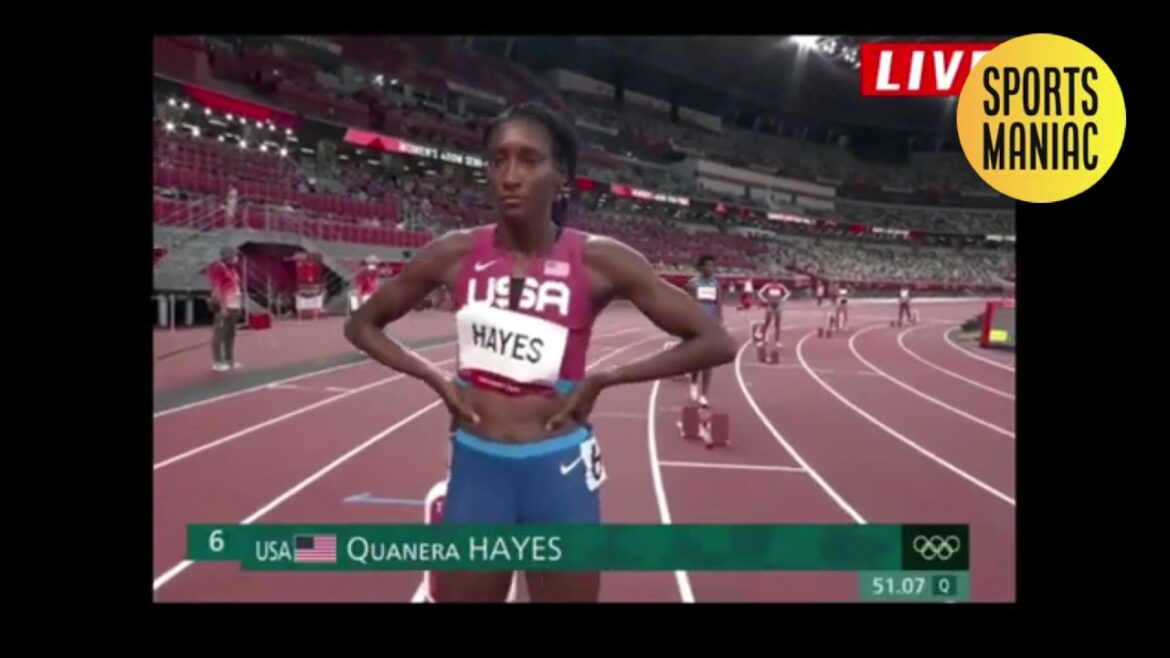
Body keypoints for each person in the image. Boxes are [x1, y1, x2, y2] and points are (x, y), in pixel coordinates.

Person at [344, 102, 735, 603]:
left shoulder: (599, 260)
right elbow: (362, 326)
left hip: (560, 473)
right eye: (498, 160)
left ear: (562, 177)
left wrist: (606, 379)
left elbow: (716, 341)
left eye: (529, 161)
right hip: (477, 470)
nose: (510, 176)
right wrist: (435, 378)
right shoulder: (455, 254)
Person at [684, 255, 724, 407]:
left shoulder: (716, 284)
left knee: (709, 361)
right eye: (708, 265)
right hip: (696, 325)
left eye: (713, 266)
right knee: (696, 359)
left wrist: (720, 322)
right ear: (701, 267)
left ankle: (704, 394)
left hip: (711, 325)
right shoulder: (692, 284)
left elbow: (718, 304)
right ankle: (694, 381)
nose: (711, 269)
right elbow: (687, 304)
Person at [208, 246, 242, 371]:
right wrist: (223, 307)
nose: (236, 258)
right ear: (227, 256)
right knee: (219, 334)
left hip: (234, 305)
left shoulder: (233, 269)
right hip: (225, 305)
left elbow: (235, 287)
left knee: (231, 334)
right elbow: (217, 289)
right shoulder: (219, 268)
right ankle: (217, 362)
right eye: (234, 256)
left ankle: (229, 359)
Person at [756, 278, 791, 346]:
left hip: (778, 305)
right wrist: (764, 300)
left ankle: (777, 341)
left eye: (776, 281)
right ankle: (762, 340)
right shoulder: (768, 285)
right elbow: (759, 292)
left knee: (777, 324)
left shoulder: (780, 286)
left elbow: (788, 293)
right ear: (772, 281)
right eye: (774, 281)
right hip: (770, 305)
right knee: (767, 322)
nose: (775, 283)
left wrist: (783, 299)